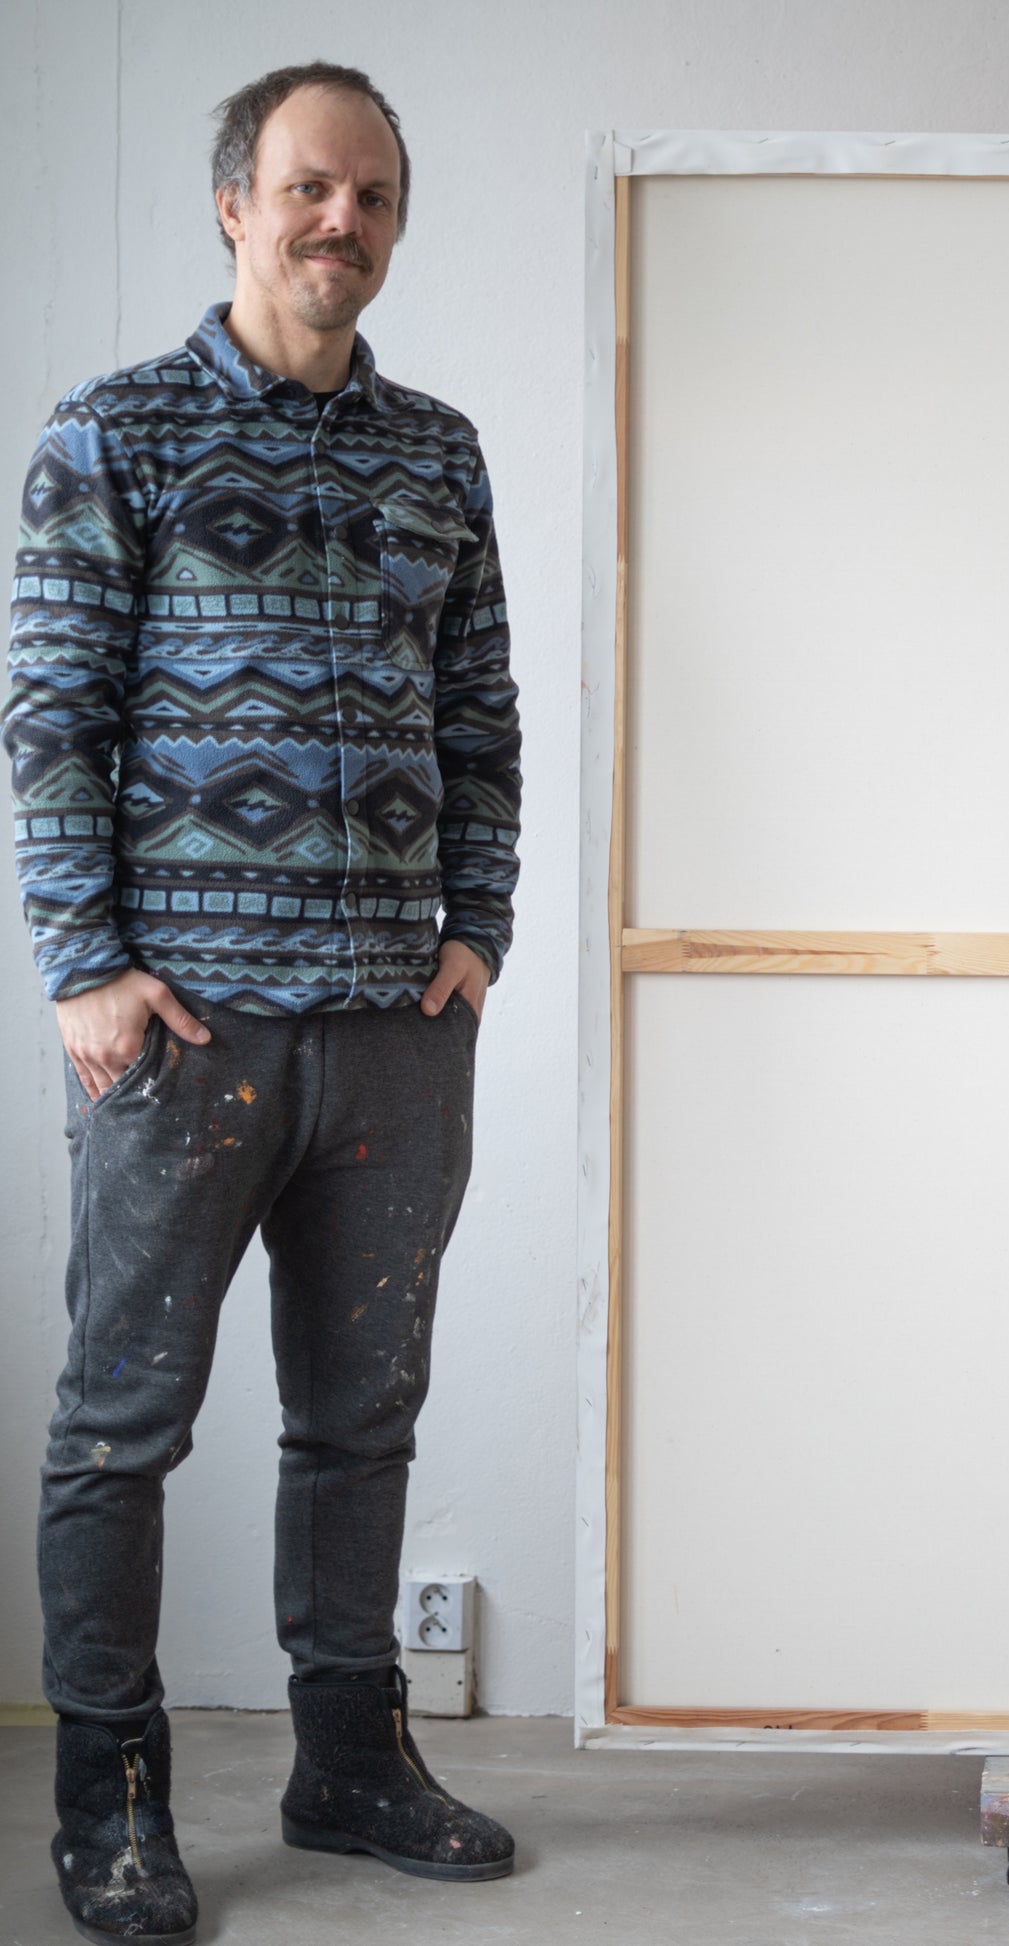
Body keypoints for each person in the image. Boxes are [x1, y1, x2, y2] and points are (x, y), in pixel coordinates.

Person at [4, 61, 523, 1943]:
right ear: (236, 202)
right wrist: (85, 966)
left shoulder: (439, 451)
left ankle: (348, 1760)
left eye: (372, 195)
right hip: (185, 1038)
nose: (341, 222)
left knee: (363, 1419)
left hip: (393, 1030)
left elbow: (478, 710)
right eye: (310, 187)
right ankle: (113, 1798)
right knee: (119, 1429)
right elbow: (50, 713)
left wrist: (480, 931)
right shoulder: (114, 431)